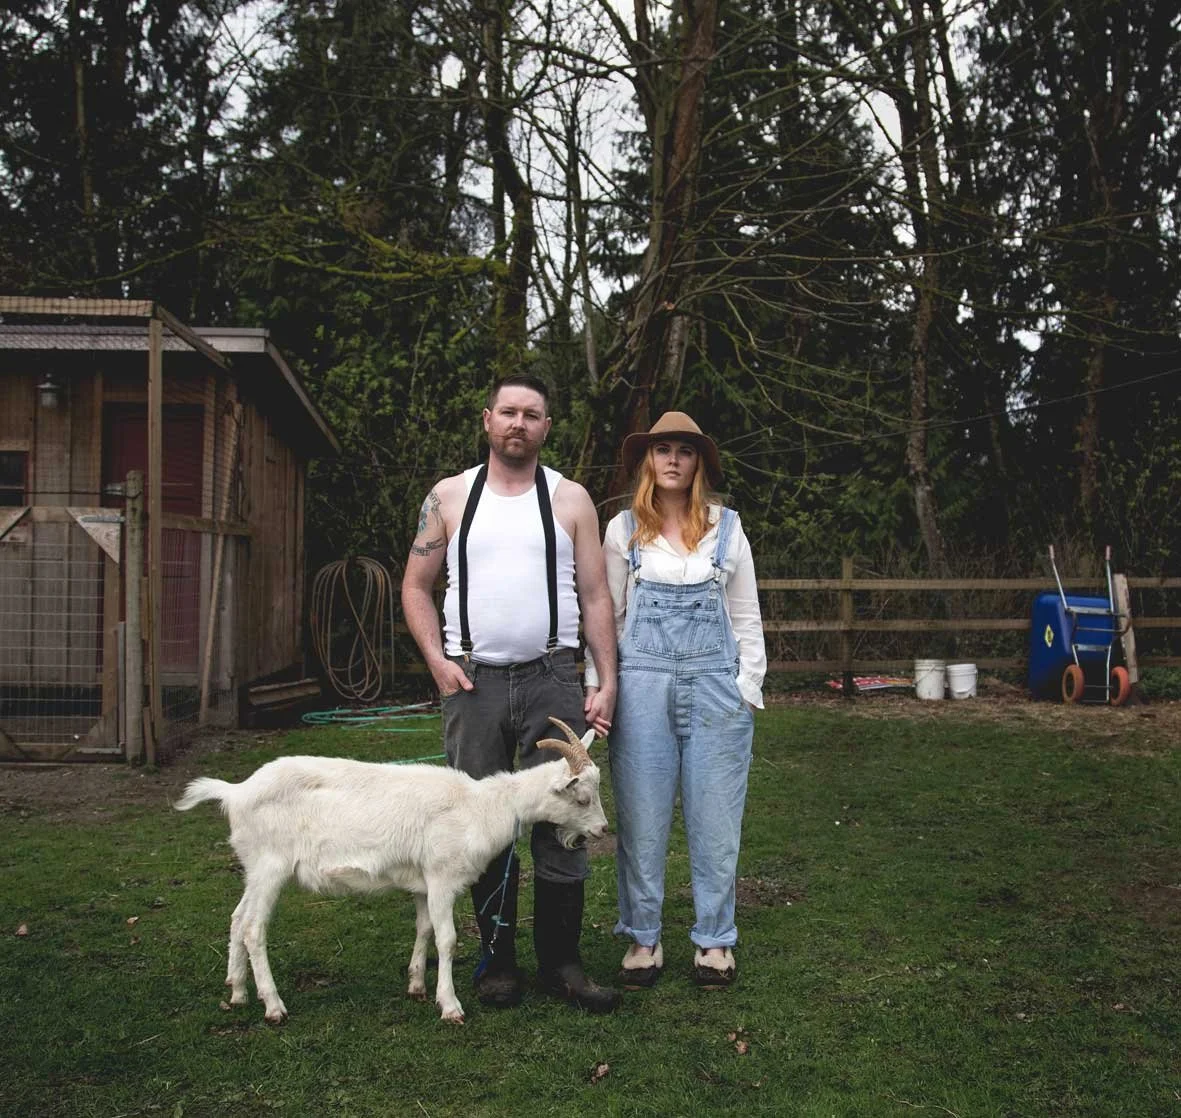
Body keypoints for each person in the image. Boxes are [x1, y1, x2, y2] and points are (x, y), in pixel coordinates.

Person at [400, 374, 620, 1014]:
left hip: (554, 675)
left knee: (566, 817)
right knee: (484, 823)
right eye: (508, 413)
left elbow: (597, 596)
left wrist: (606, 681)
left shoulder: (570, 498)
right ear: (488, 420)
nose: (519, 423)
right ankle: (496, 964)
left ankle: (564, 963)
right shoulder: (449, 497)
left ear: (547, 427)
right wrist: (437, 662)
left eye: (533, 414)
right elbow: (415, 586)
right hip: (476, 684)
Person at [585, 411, 765, 989]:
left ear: (698, 464)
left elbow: (746, 616)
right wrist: (601, 683)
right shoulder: (621, 532)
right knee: (641, 819)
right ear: (648, 460)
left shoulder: (728, 529)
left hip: (717, 688)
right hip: (642, 687)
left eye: (684, 451)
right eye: (662, 449)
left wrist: (747, 687)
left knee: (716, 820)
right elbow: (607, 617)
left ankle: (715, 941)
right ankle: (643, 938)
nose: (672, 460)